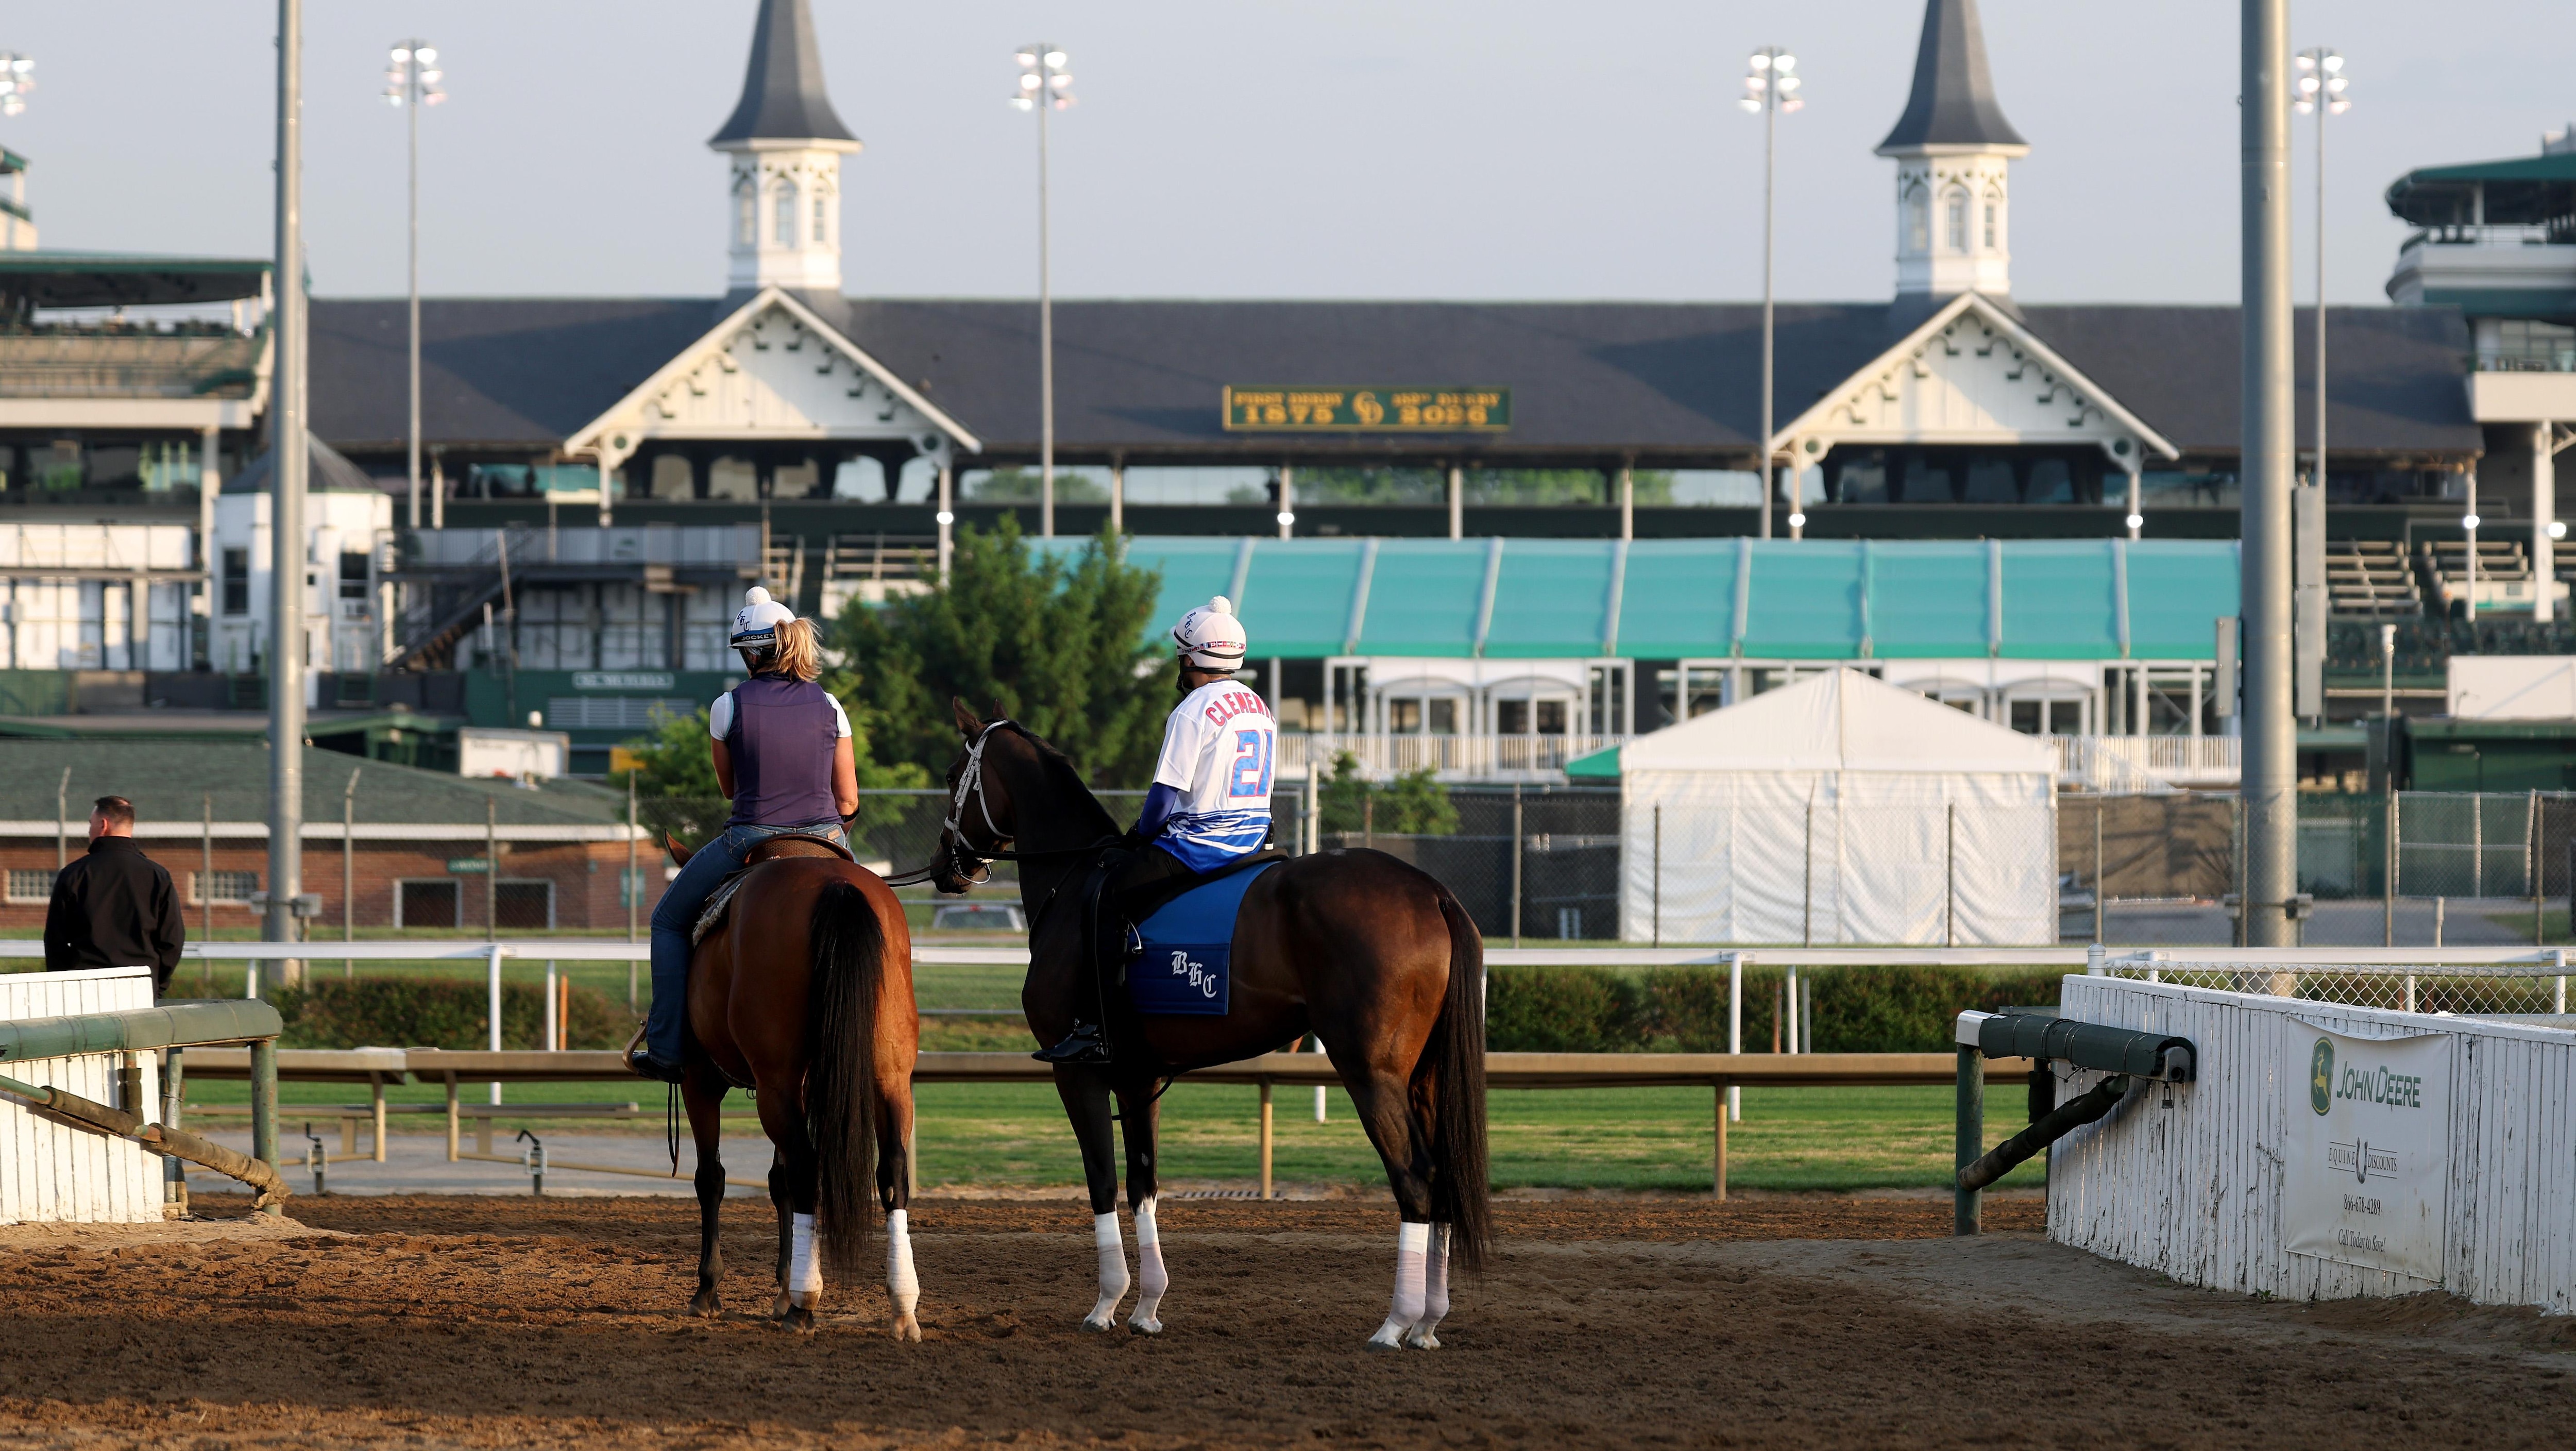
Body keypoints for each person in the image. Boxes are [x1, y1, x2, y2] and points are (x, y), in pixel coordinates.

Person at [629, 587, 860, 1084]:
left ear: (752, 653)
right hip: (830, 840)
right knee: (873, 924)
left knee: (667, 921)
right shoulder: (832, 705)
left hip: (750, 837)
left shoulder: (726, 707)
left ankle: (668, 1047)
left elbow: (731, 787)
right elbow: (847, 803)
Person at [1036, 596, 1275, 1064]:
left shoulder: (1191, 710)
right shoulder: (1256, 704)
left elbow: (1164, 798)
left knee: (1102, 897)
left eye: (1180, 659)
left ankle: (1096, 1028)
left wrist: (1140, 834)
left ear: (1189, 660)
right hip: (1255, 839)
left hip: (1201, 845)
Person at [45, 795, 187, 994]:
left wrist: (65, 984)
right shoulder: (157, 875)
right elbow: (172, 940)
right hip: (140, 985)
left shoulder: (74, 874)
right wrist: (156, 984)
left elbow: (55, 940)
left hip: (85, 987)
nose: (89, 830)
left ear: (103, 825)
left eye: (90, 824)